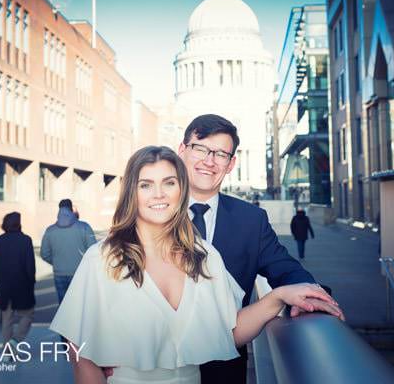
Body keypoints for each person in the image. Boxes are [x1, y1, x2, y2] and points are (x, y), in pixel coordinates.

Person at [50, 146, 341, 384]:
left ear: (181, 189)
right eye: (146, 185)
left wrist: (279, 296)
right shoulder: (104, 258)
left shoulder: (204, 255)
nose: (159, 194)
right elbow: (81, 356)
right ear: (132, 193)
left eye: (169, 183)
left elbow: (227, 331)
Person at [177, 114, 344, 383]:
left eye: (220, 154)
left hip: (223, 370)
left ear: (231, 164)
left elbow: (285, 269)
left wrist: (312, 295)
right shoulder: (153, 209)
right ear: (182, 150)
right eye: (200, 148)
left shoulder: (250, 220)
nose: (209, 161)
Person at [0, 212, 36, 357]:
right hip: (22, 285)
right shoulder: (26, 240)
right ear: (19, 224)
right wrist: (31, 281)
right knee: (27, 316)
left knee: (7, 320)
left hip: (5, 287)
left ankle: (7, 352)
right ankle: (15, 341)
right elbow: (30, 266)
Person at [41, 199, 97, 303]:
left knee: (63, 306)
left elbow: (44, 254)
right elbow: (93, 250)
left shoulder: (50, 230)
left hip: (59, 273)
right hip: (80, 272)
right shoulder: (84, 227)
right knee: (80, 305)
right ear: (71, 209)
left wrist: (57, 262)